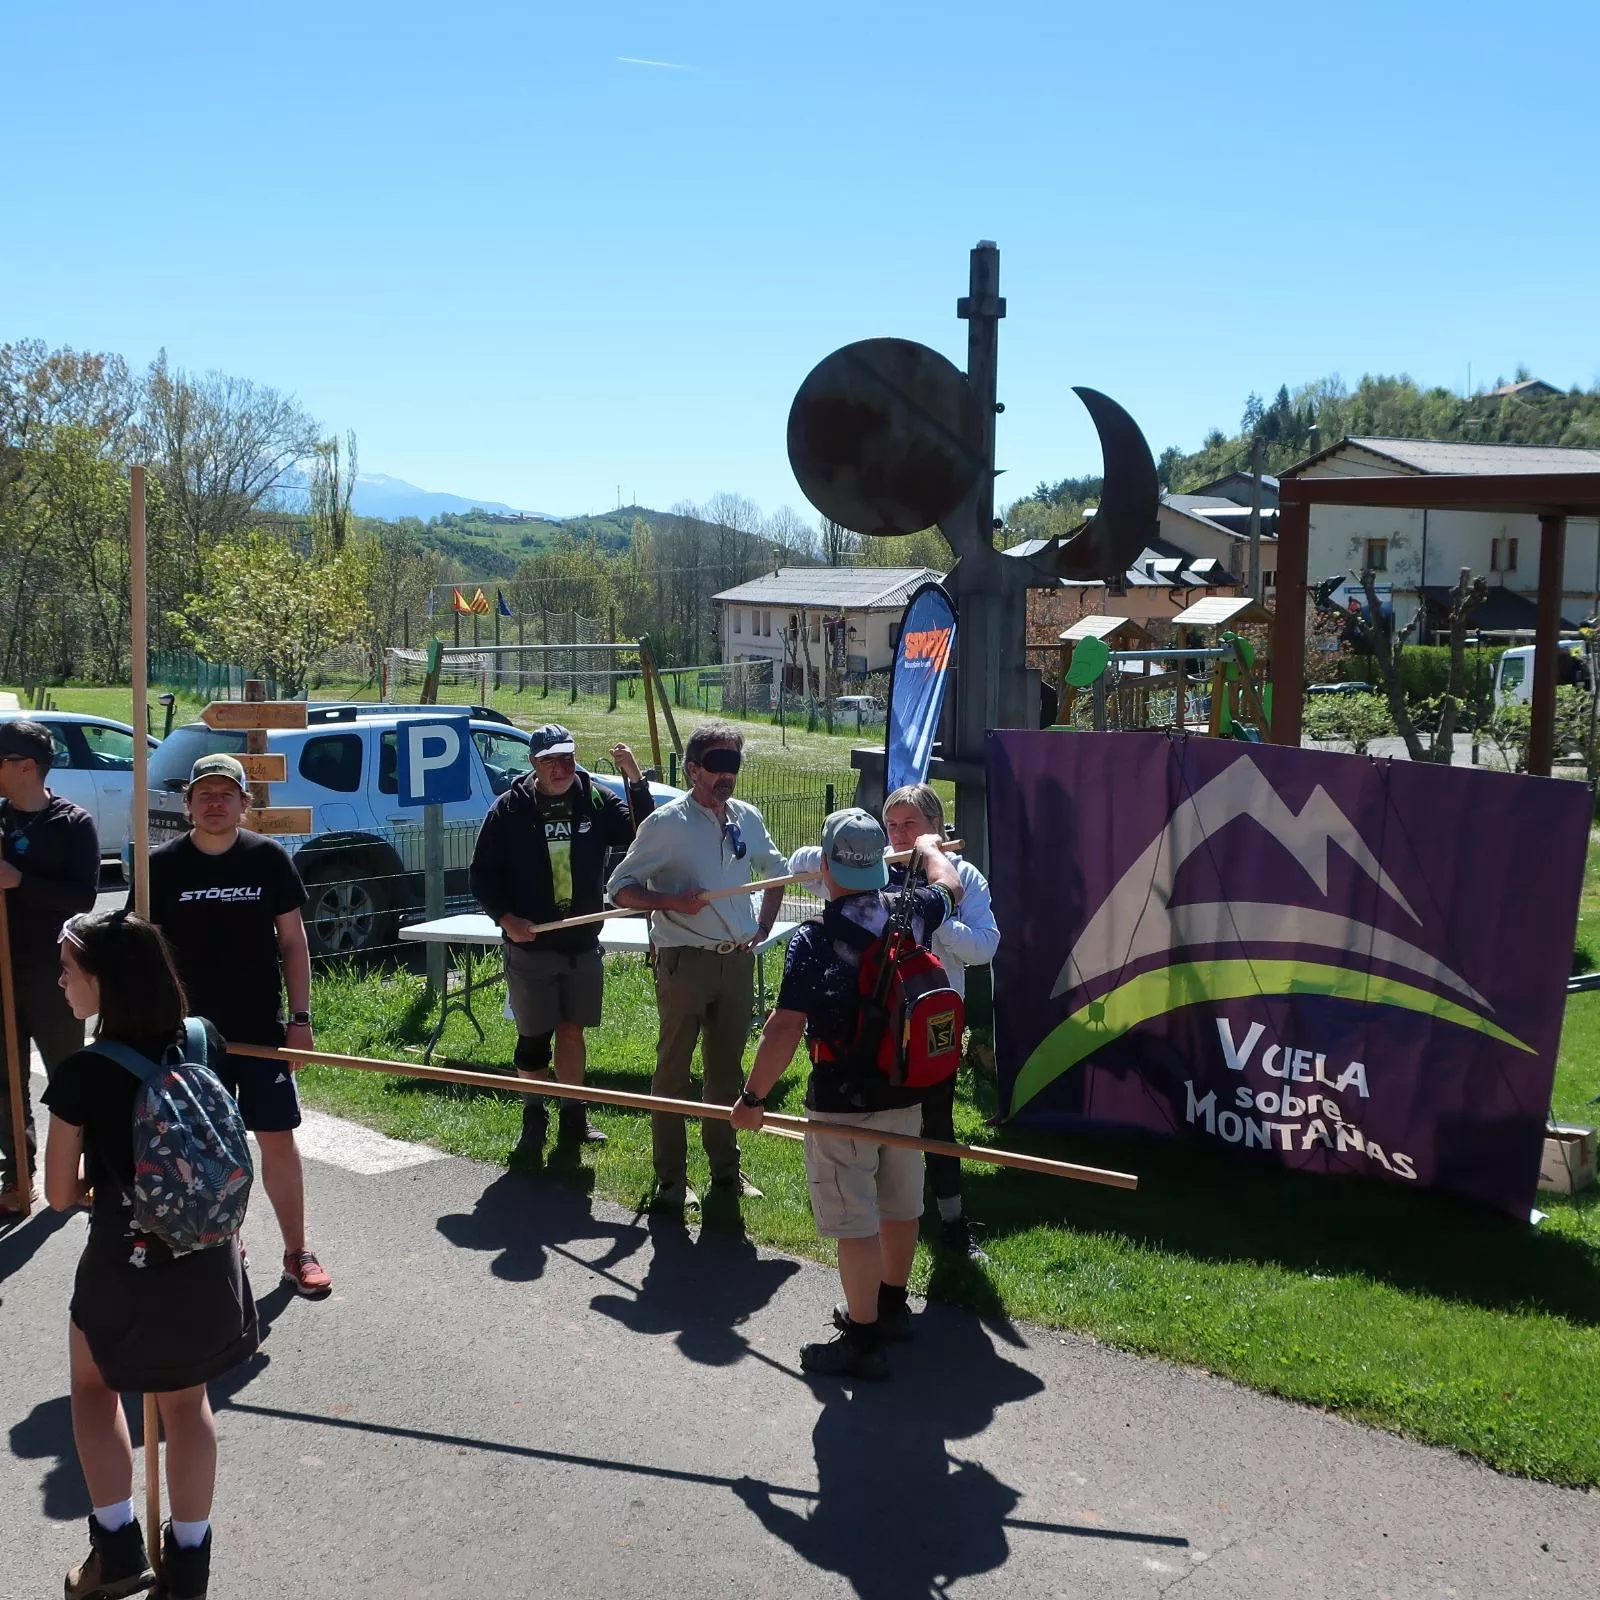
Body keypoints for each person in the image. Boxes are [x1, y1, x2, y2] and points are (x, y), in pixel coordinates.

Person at [44, 909, 257, 1600]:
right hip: (209, 1255)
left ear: (103, 982)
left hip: (125, 1265)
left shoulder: (82, 1072)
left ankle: (115, 1550)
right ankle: (188, 1567)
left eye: (69, 971)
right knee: (187, 1404)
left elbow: (54, 1194)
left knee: (93, 1387)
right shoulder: (203, 1039)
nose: (61, 982)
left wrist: (98, 1180)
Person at [731, 810, 962, 1379]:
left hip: (839, 1103)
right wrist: (928, 846)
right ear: (883, 860)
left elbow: (784, 1029)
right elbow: (950, 884)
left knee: (855, 1220)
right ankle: (890, 1306)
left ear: (828, 869)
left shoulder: (812, 941)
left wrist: (753, 1099)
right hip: (905, 1091)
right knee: (901, 1205)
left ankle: (861, 1341)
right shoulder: (912, 916)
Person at [142, 753, 330, 1296]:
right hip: (189, 1036)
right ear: (188, 805)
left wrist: (300, 1019)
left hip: (260, 1028)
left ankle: (297, 1252)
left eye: (227, 794)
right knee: (206, 1145)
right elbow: (143, 953)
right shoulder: (163, 866)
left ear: (245, 804)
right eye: (205, 794)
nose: (216, 803)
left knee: (276, 1136)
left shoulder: (268, 858)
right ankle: (225, 1246)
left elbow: (293, 943)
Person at [789, 782, 999, 1259]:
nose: (900, 835)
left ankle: (952, 1222)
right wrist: (820, 854)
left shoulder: (962, 874)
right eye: (892, 825)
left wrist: (932, 914)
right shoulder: (871, 868)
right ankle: (878, 1219)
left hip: (932, 1024)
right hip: (876, 1023)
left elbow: (986, 946)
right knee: (879, 1116)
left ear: (935, 826)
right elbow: (800, 868)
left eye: (911, 825)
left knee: (937, 1122)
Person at [608, 722, 787, 1209]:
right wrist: (670, 901)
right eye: (717, 765)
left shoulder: (746, 818)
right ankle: (671, 1178)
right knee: (674, 1071)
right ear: (692, 769)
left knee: (726, 1071)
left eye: (734, 765)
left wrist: (764, 926)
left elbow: (778, 872)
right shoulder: (666, 824)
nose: (727, 775)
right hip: (683, 960)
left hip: (736, 962)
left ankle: (725, 1171)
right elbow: (619, 888)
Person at [469, 724, 654, 1156]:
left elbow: (640, 836)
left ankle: (574, 1115)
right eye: (551, 759)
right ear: (533, 763)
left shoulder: (593, 799)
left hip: (581, 944)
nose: (561, 766)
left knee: (572, 1032)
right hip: (531, 945)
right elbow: (481, 875)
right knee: (534, 1039)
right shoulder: (509, 810)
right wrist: (506, 918)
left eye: (567, 757)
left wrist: (634, 780)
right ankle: (534, 1116)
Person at [0, 718, 100, 1214]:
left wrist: (19, 880)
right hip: (0, 973)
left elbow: (83, 898)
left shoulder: (72, 824)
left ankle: (84, 1167)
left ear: (25, 767)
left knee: (69, 1074)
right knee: (5, 1077)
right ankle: (18, 1171)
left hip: (55, 976)